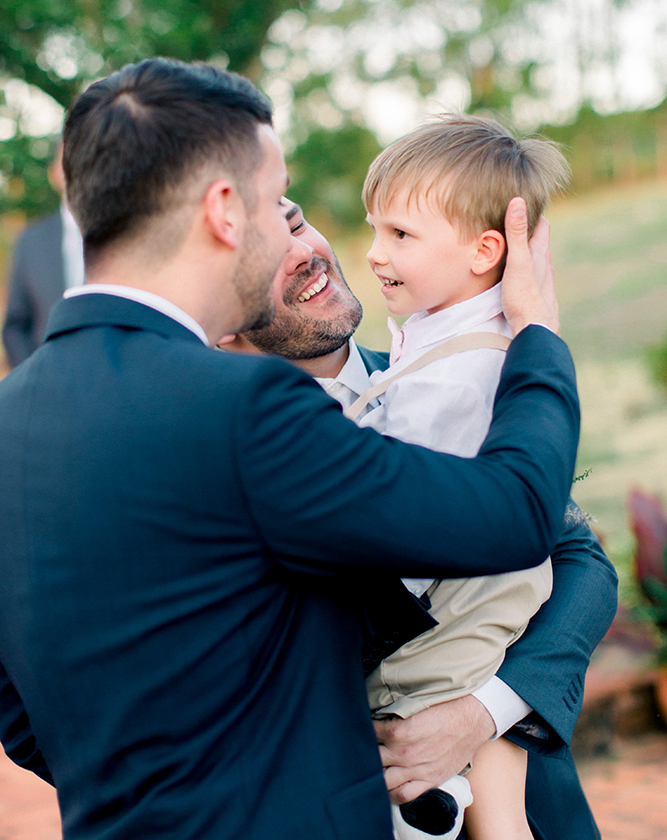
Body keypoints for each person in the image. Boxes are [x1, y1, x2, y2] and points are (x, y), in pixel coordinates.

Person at [0, 58, 580, 840]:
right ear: (224, 211)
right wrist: (534, 332)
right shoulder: (241, 408)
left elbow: (22, 714)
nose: (291, 232)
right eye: (277, 202)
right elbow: (513, 514)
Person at [227, 197, 617, 840]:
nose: (301, 254)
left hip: (533, 813)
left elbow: (580, 563)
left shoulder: (453, 375)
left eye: (295, 222)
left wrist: (482, 713)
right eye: (261, 254)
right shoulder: (229, 464)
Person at [355, 115, 570, 840]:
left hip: (441, 610)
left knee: (406, 726)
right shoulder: (436, 323)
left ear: (485, 251)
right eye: (373, 229)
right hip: (472, 593)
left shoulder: (459, 375)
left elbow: (411, 530)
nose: (374, 253)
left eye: (400, 236)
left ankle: (432, 808)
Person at [2, 139, 84, 367]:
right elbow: (16, 325)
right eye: (66, 161)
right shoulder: (30, 241)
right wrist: (33, 375)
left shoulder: (120, 234)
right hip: (44, 380)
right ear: (53, 173)